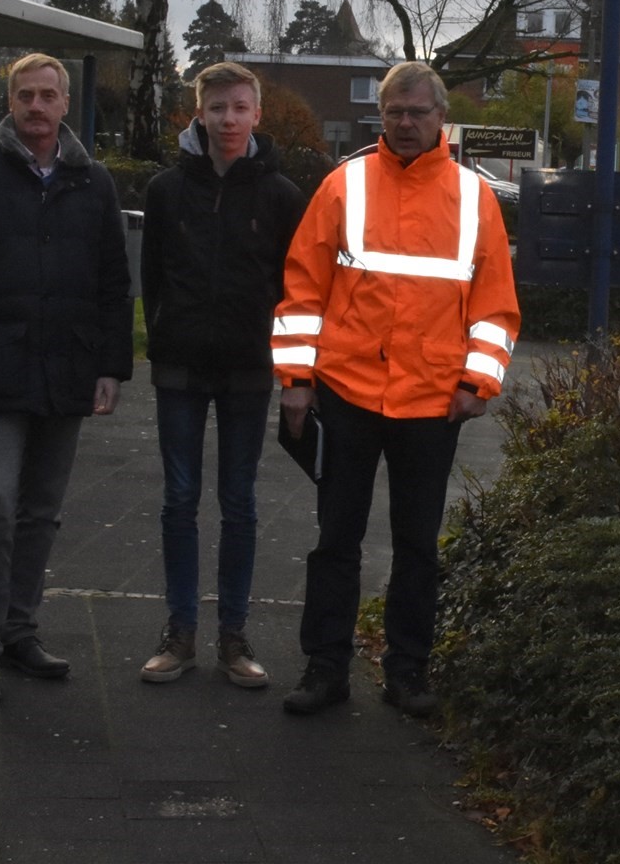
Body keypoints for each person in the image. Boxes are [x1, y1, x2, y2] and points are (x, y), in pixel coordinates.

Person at [271, 60, 520, 718]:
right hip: (347, 392)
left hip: (434, 401)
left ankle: (408, 672)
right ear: (379, 117)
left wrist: (478, 381)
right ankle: (326, 668)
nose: (406, 124)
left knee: (416, 545)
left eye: (418, 113)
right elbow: (302, 289)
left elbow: (495, 306)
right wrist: (295, 381)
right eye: (395, 113)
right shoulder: (343, 186)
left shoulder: (474, 199)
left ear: (442, 118)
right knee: (336, 540)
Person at [0, 52, 134, 706]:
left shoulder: (93, 183)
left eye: (48, 95)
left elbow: (113, 286)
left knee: (41, 512)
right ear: (9, 103)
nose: (37, 107)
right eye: (25, 95)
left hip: (66, 371)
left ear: (67, 103)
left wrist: (110, 367)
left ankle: (20, 630)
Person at [137, 62, 304, 689]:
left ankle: (233, 637)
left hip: (247, 370)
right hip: (180, 366)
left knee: (240, 504)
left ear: (257, 115)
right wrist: (161, 335)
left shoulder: (282, 196)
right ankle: (179, 634)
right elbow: (151, 276)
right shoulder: (165, 191)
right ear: (198, 113)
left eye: (239, 108)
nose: (228, 120)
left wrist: (293, 373)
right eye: (217, 109)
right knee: (179, 500)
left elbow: (295, 292)